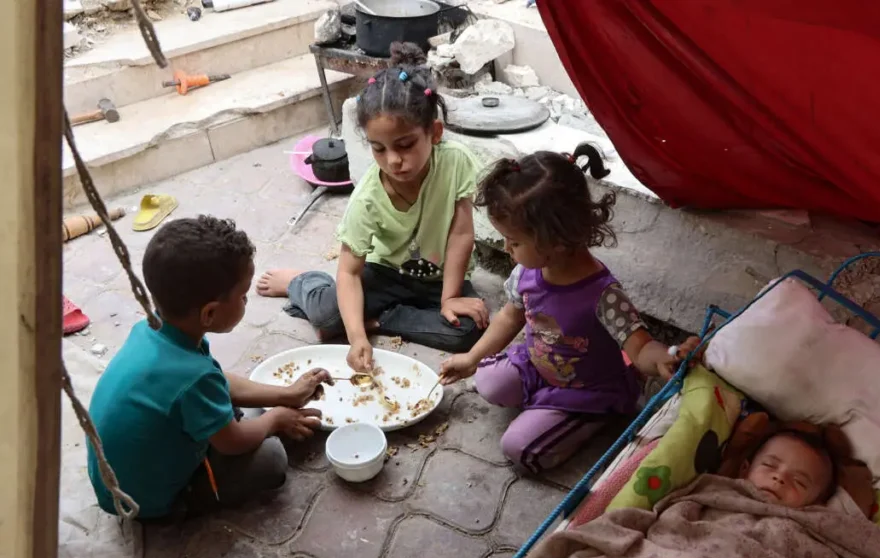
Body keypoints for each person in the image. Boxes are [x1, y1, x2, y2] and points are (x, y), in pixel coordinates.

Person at [439, 144, 687, 472]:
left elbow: (642, 349)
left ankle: (596, 417)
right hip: (540, 365)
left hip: (587, 389)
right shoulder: (528, 270)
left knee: (519, 450)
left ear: (556, 241)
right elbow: (510, 315)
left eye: (514, 242)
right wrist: (472, 358)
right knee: (488, 380)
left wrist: (666, 357)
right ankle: (541, 405)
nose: (506, 248)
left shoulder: (603, 295)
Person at [256, 42, 488, 371]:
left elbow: (461, 234)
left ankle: (378, 318)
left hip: (440, 277)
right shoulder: (367, 198)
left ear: (434, 133)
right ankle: (304, 282)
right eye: (379, 149)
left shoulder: (456, 162)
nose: (394, 160)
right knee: (327, 314)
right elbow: (350, 271)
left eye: (405, 145)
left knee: (468, 330)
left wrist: (450, 298)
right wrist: (356, 339)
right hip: (385, 272)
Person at [87, 216, 329, 520]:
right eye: (242, 297)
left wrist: (287, 395)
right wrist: (276, 419)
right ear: (210, 313)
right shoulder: (192, 377)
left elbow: (215, 380)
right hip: (143, 500)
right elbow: (233, 442)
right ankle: (187, 498)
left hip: (117, 480)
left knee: (237, 410)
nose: (246, 302)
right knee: (271, 459)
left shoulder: (152, 329)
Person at [739, 431, 838, 508]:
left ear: (815, 503)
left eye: (799, 482)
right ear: (744, 469)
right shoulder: (725, 492)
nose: (779, 477)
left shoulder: (812, 524)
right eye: (768, 465)